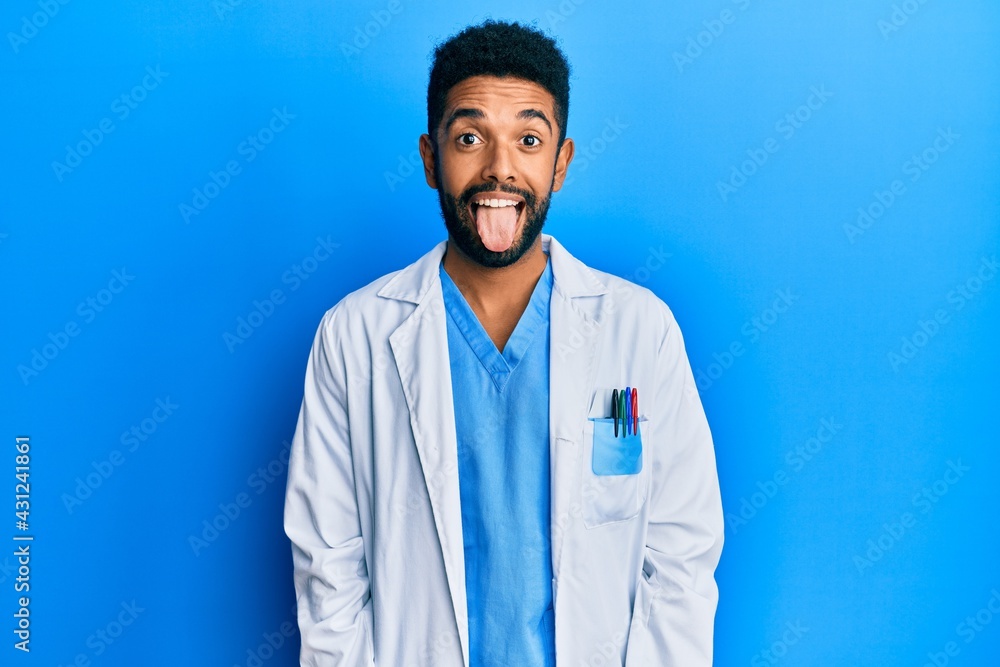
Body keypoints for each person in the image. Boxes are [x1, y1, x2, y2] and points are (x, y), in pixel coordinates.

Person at [283, 19, 723, 666]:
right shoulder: (355, 335)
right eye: (469, 138)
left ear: (560, 163)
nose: (500, 168)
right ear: (431, 159)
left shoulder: (638, 330)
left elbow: (680, 556)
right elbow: (329, 572)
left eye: (527, 138)